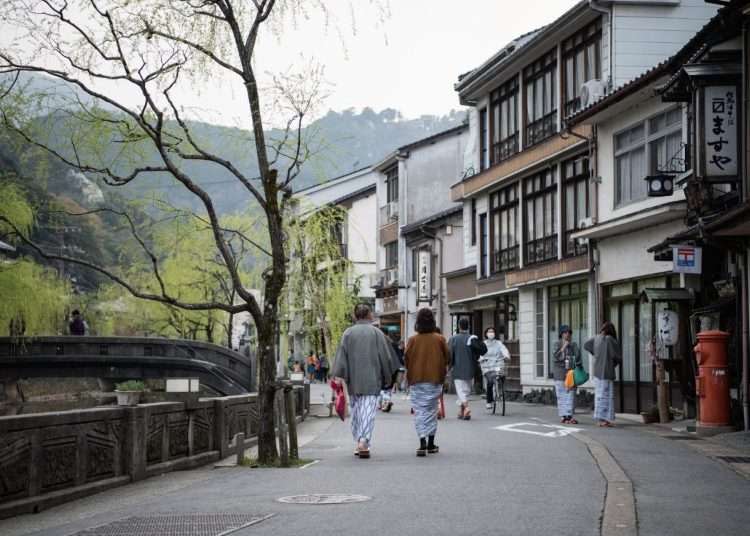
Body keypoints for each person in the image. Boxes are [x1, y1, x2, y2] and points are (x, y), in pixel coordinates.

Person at [331, 303, 399, 459]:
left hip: (353, 380)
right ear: (369, 315)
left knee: (357, 412)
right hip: (372, 378)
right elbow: (386, 357)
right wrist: (388, 377)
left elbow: (342, 358)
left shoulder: (348, 333)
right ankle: (363, 441)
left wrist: (339, 377)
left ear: (355, 316)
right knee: (368, 411)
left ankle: (360, 441)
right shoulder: (377, 333)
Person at [405, 308, 449, 457]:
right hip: (435, 379)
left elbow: (406, 359)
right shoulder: (439, 339)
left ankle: (422, 442)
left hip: (417, 380)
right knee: (431, 410)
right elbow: (447, 358)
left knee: (420, 411)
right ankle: (431, 443)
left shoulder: (412, 340)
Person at [448, 318, 486, 420]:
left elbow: (450, 355)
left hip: (458, 368)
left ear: (459, 326)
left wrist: (448, 367)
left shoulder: (453, 339)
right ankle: (462, 412)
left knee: (460, 391)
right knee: (466, 391)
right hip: (471, 368)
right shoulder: (472, 338)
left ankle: (467, 407)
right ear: (468, 326)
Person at [584, 321, 621, 427]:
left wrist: (595, 353)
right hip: (607, 371)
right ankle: (603, 420)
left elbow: (586, 345)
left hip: (597, 372)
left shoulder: (596, 338)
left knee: (599, 396)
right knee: (606, 396)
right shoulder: (609, 339)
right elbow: (616, 355)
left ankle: (600, 419)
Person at [552, 324, 582, 424]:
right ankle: (564, 417)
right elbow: (555, 357)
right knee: (561, 396)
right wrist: (563, 347)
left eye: (569, 332)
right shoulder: (557, 343)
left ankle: (569, 416)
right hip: (560, 373)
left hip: (570, 373)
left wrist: (574, 348)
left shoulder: (573, 345)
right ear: (561, 334)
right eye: (565, 332)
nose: (568, 334)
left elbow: (578, 358)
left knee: (571, 395)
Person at [478, 326, 510, 411]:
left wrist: (506, 356)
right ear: (486, 334)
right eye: (489, 332)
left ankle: (500, 390)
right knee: (490, 381)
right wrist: (481, 359)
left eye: (492, 331)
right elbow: (479, 354)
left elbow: (504, 350)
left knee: (501, 375)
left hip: (497, 364)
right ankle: (489, 401)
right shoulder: (483, 344)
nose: (491, 333)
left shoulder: (498, 343)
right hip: (487, 365)